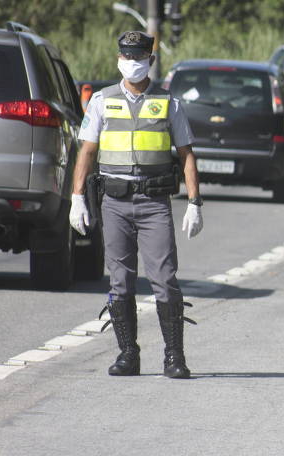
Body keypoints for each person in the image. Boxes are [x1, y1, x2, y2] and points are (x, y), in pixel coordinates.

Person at [69, 30, 204, 379]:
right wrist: (77, 197)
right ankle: (128, 354)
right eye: (127, 57)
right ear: (118, 59)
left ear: (150, 60)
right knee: (120, 282)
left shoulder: (169, 103)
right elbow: (86, 152)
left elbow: (187, 154)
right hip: (114, 202)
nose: (132, 63)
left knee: (165, 279)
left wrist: (194, 202)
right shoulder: (101, 100)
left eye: (139, 57)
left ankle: (174, 356)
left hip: (154, 203)